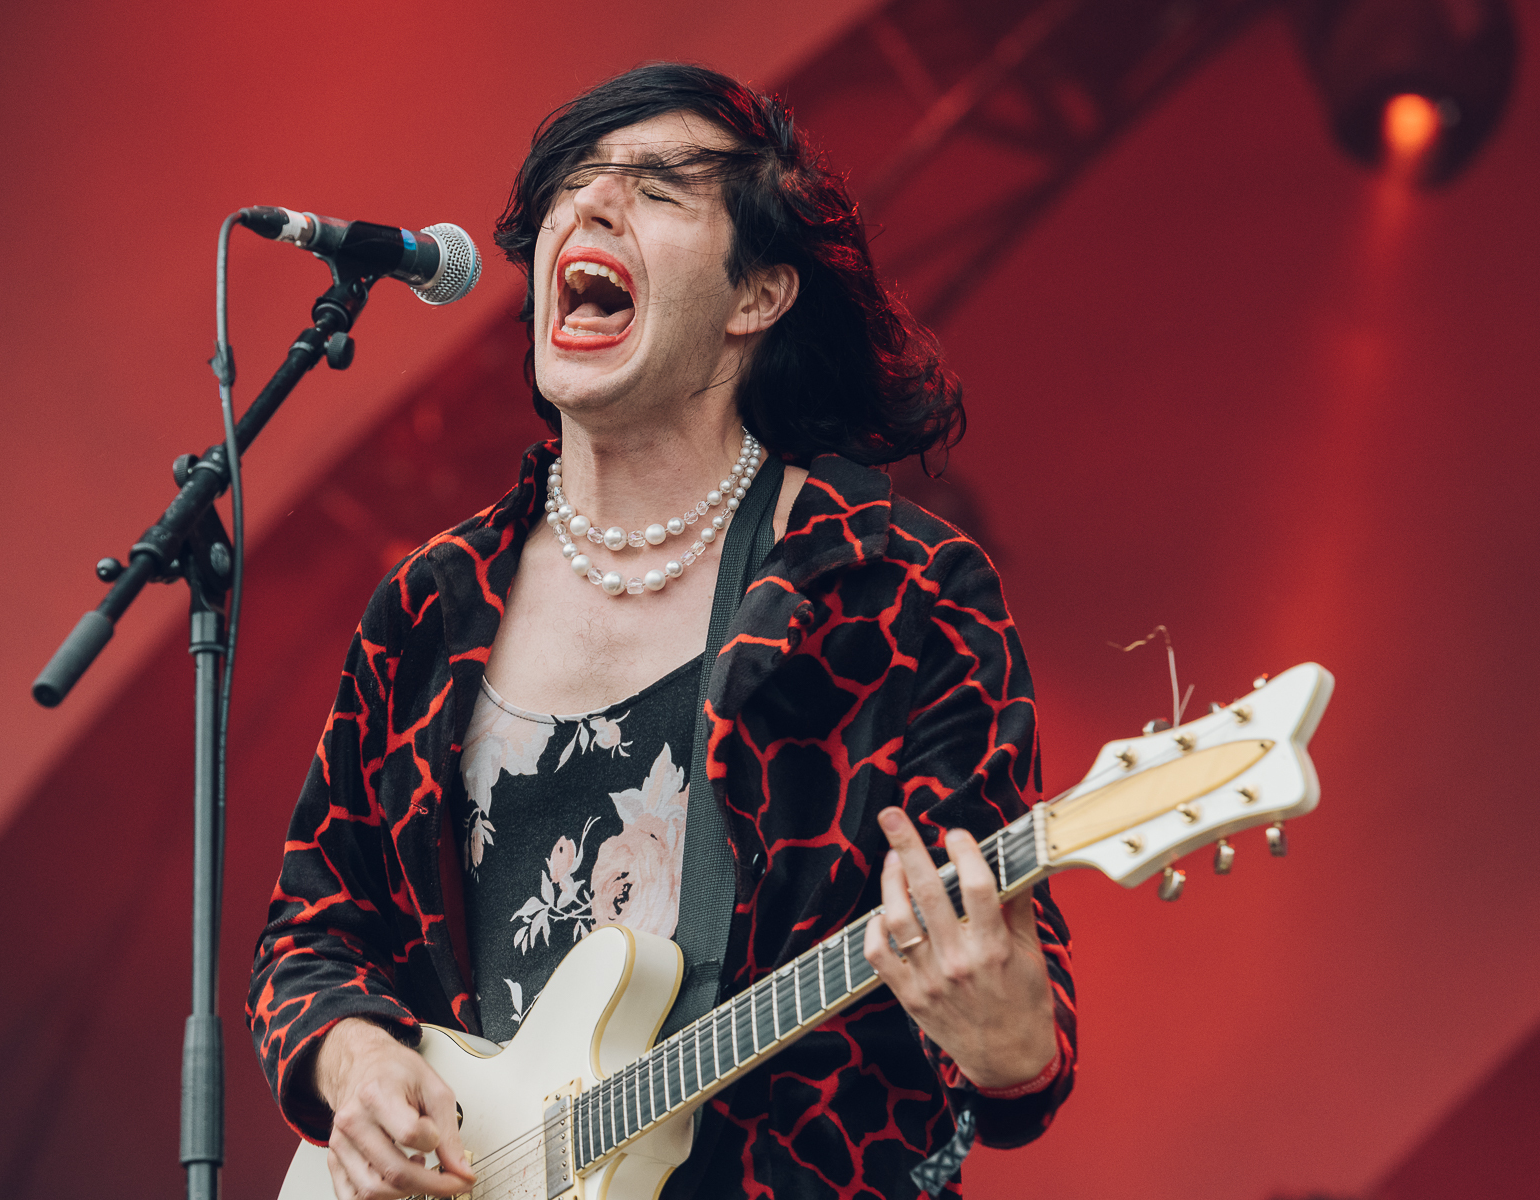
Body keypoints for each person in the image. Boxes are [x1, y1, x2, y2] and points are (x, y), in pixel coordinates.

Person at [247, 62, 1076, 1200]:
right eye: (573, 184)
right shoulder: (432, 607)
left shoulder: (897, 592)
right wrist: (355, 1060)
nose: (588, 206)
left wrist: (1009, 1040)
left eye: (656, 190)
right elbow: (315, 922)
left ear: (756, 298)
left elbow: (1009, 1003)